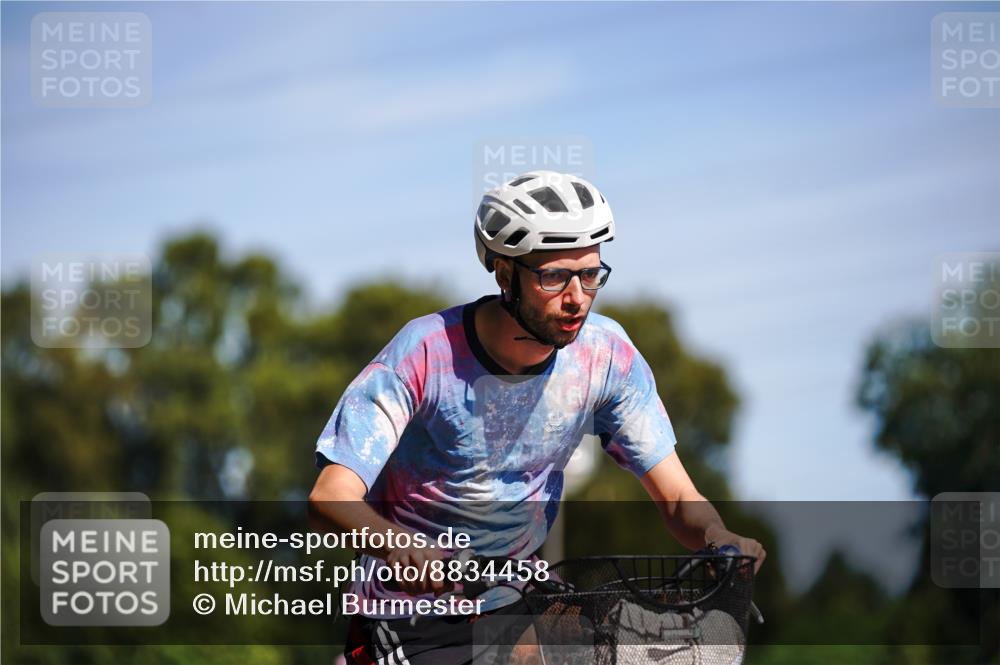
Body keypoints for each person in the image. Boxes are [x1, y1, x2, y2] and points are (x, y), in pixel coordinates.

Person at [308, 171, 766, 665]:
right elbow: (330, 496)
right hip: (408, 619)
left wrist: (719, 536)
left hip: (521, 601)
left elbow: (678, 498)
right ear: (505, 273)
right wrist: (395, 542)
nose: (577, 298)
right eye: (553, 276)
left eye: (590, 274)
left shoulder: (605, 356)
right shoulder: (424, 354)